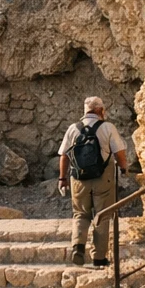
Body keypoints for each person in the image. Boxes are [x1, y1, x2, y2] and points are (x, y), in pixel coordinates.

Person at [59, 95, 130, 267]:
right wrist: (124, 168)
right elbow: (119, 152)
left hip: (78, 179)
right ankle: (99, 257)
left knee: (80, 214)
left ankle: (78, 246)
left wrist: (62, 179)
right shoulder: (107, 127)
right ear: (99, 110)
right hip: (102, 178)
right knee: (103, 215)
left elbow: (64, 155)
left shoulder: (73, 129)